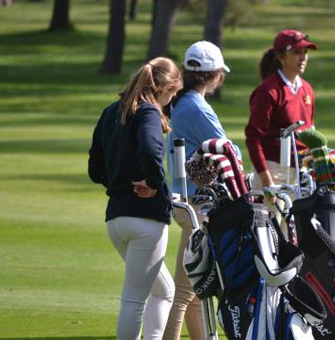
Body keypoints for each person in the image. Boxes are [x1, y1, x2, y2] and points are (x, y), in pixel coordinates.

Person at [88, 57, 182, 340]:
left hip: (116, 219)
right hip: (145, 218)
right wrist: (153, 184)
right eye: (173, 93)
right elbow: (152, 150)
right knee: (134, 300)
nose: (172, 100)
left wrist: (119, 184)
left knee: (164, 291)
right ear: (164, 87)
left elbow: (95, 168)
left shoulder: (110, 112)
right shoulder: (149, 112)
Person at [163, 40, 237, 340]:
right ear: (216, 75)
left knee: (194, 292)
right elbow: (230, 153)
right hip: (198, 207)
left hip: (187, 202)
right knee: (184, 292)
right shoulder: (198, 108)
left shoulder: (182, 102)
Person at [245, 29, 318, 230]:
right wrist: (267, 179)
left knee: (298, 234)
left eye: (305, 53)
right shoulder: (268, 91)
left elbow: (309, 130)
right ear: (281, 56)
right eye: (296, 52)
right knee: (271, 235)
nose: (302, 58)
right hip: (272, 170)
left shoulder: (307, 89)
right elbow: (253, 137)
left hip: (300, 171)